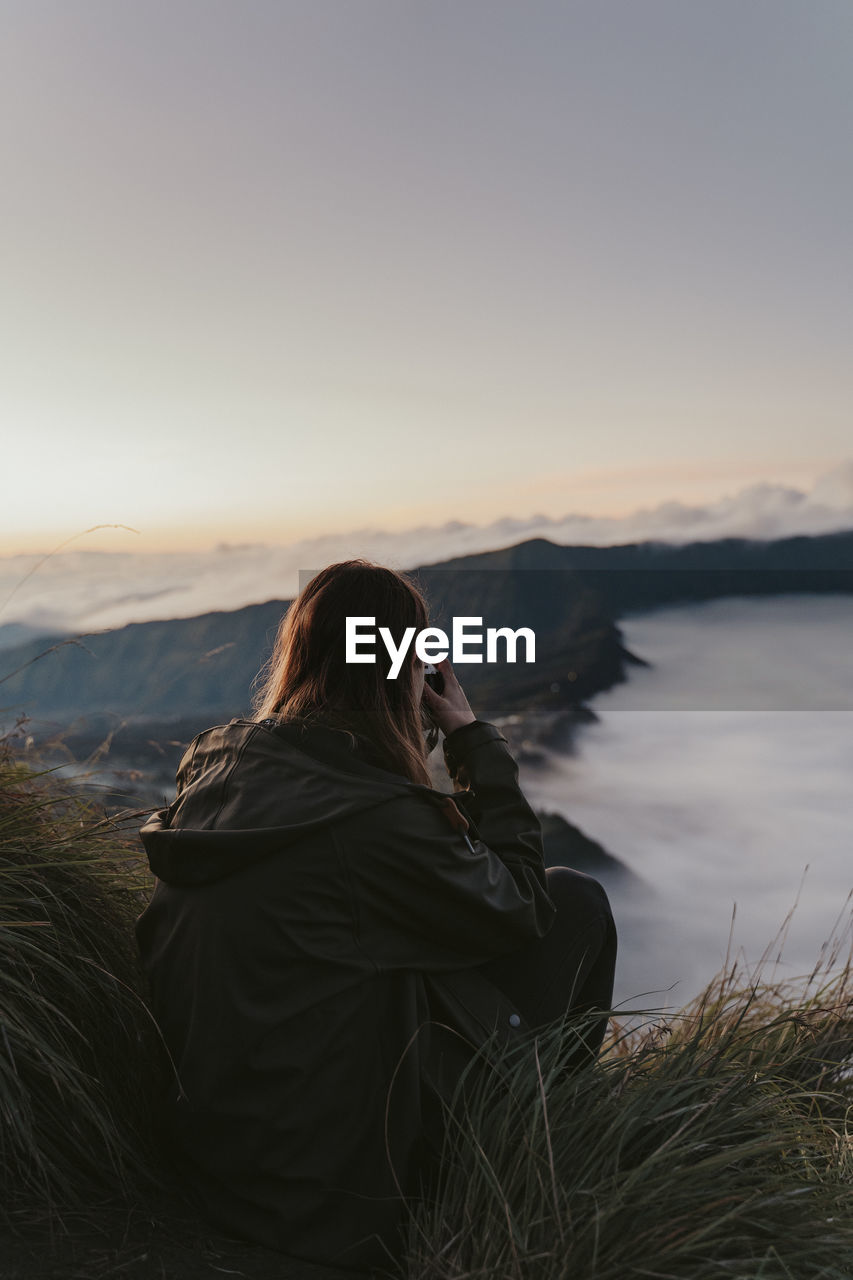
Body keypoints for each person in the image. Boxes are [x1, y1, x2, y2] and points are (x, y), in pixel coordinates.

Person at [135, 560, 616, 1273]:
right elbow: (521, 906)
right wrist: (468, 737)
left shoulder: (217, 770)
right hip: (327, 1199)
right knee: (574, 902)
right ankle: (532, 1171)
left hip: (215, 1161)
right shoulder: (376, 821)